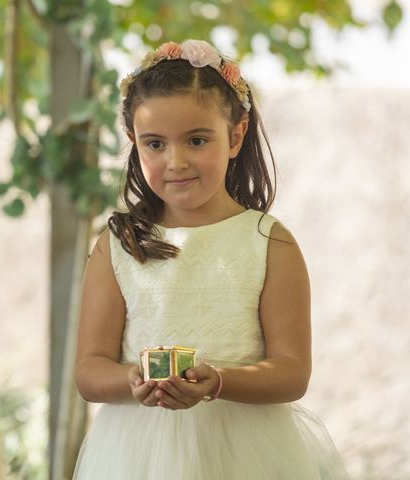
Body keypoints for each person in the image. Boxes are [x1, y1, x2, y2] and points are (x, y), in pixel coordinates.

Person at [73, 39, 347, 479]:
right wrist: (134, 381)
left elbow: (292, 372)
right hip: (137, 457)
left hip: (248, 456)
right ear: (133, 141)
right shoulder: (119, 244)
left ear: (236, 135)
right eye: (155, 144)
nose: (175, 161)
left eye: (196, 140)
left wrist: (218, 382)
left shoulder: (269, 243)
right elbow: (89, 371)